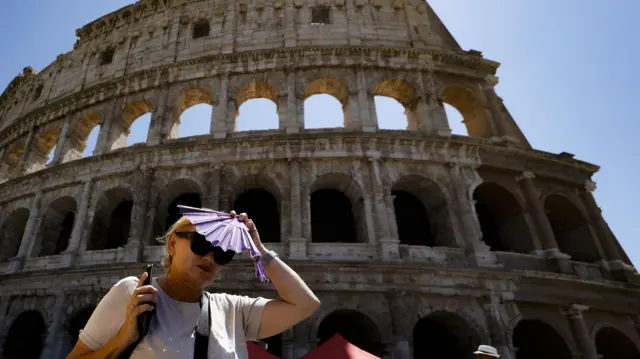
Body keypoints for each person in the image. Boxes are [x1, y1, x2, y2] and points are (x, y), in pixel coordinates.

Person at [65, 209, 321, 359]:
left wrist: (259, 250)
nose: (210, 257)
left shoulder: (233, 310)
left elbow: (305, 304)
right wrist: (122, 340)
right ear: (173, 243)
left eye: (223, 254)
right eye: (201, 244)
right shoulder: (134, 293)